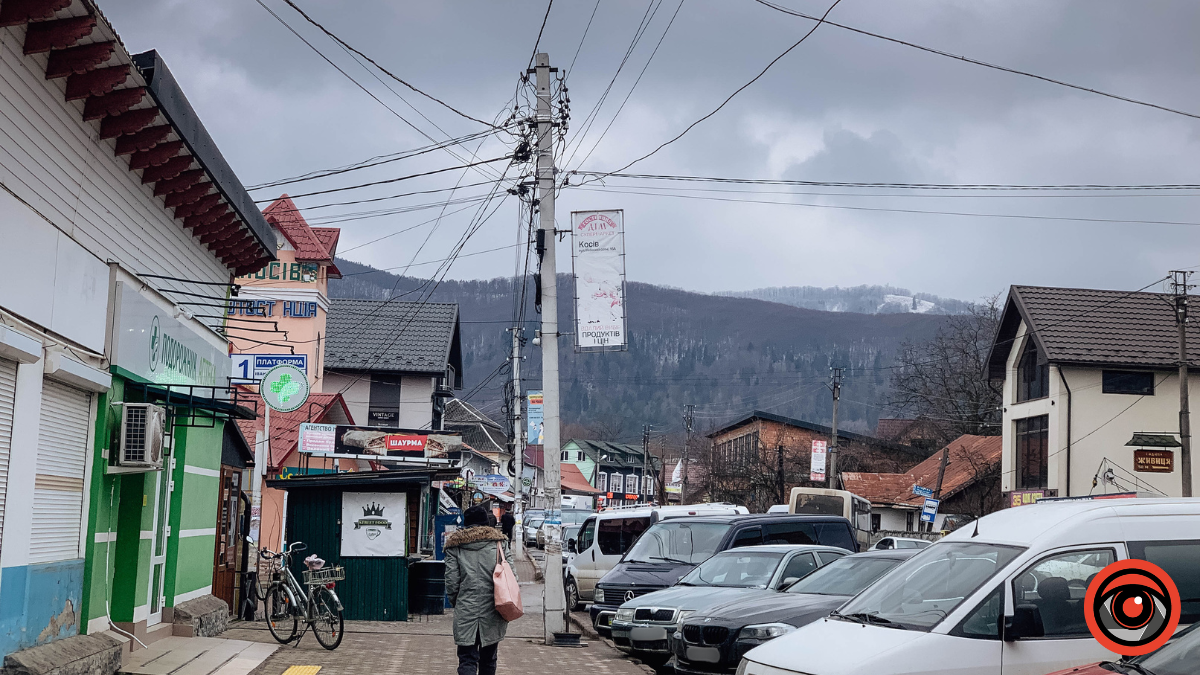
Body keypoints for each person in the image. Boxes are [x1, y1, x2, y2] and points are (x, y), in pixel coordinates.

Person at [445, 505, 518, 675]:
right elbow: (512, 576)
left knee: (467, 659)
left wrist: (457, 601)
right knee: (488, 659)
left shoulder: (454, 546)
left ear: (466, 523)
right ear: (486, 523)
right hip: (494, 609)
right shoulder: (499, 543)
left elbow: (451, 581)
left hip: (466, 608)